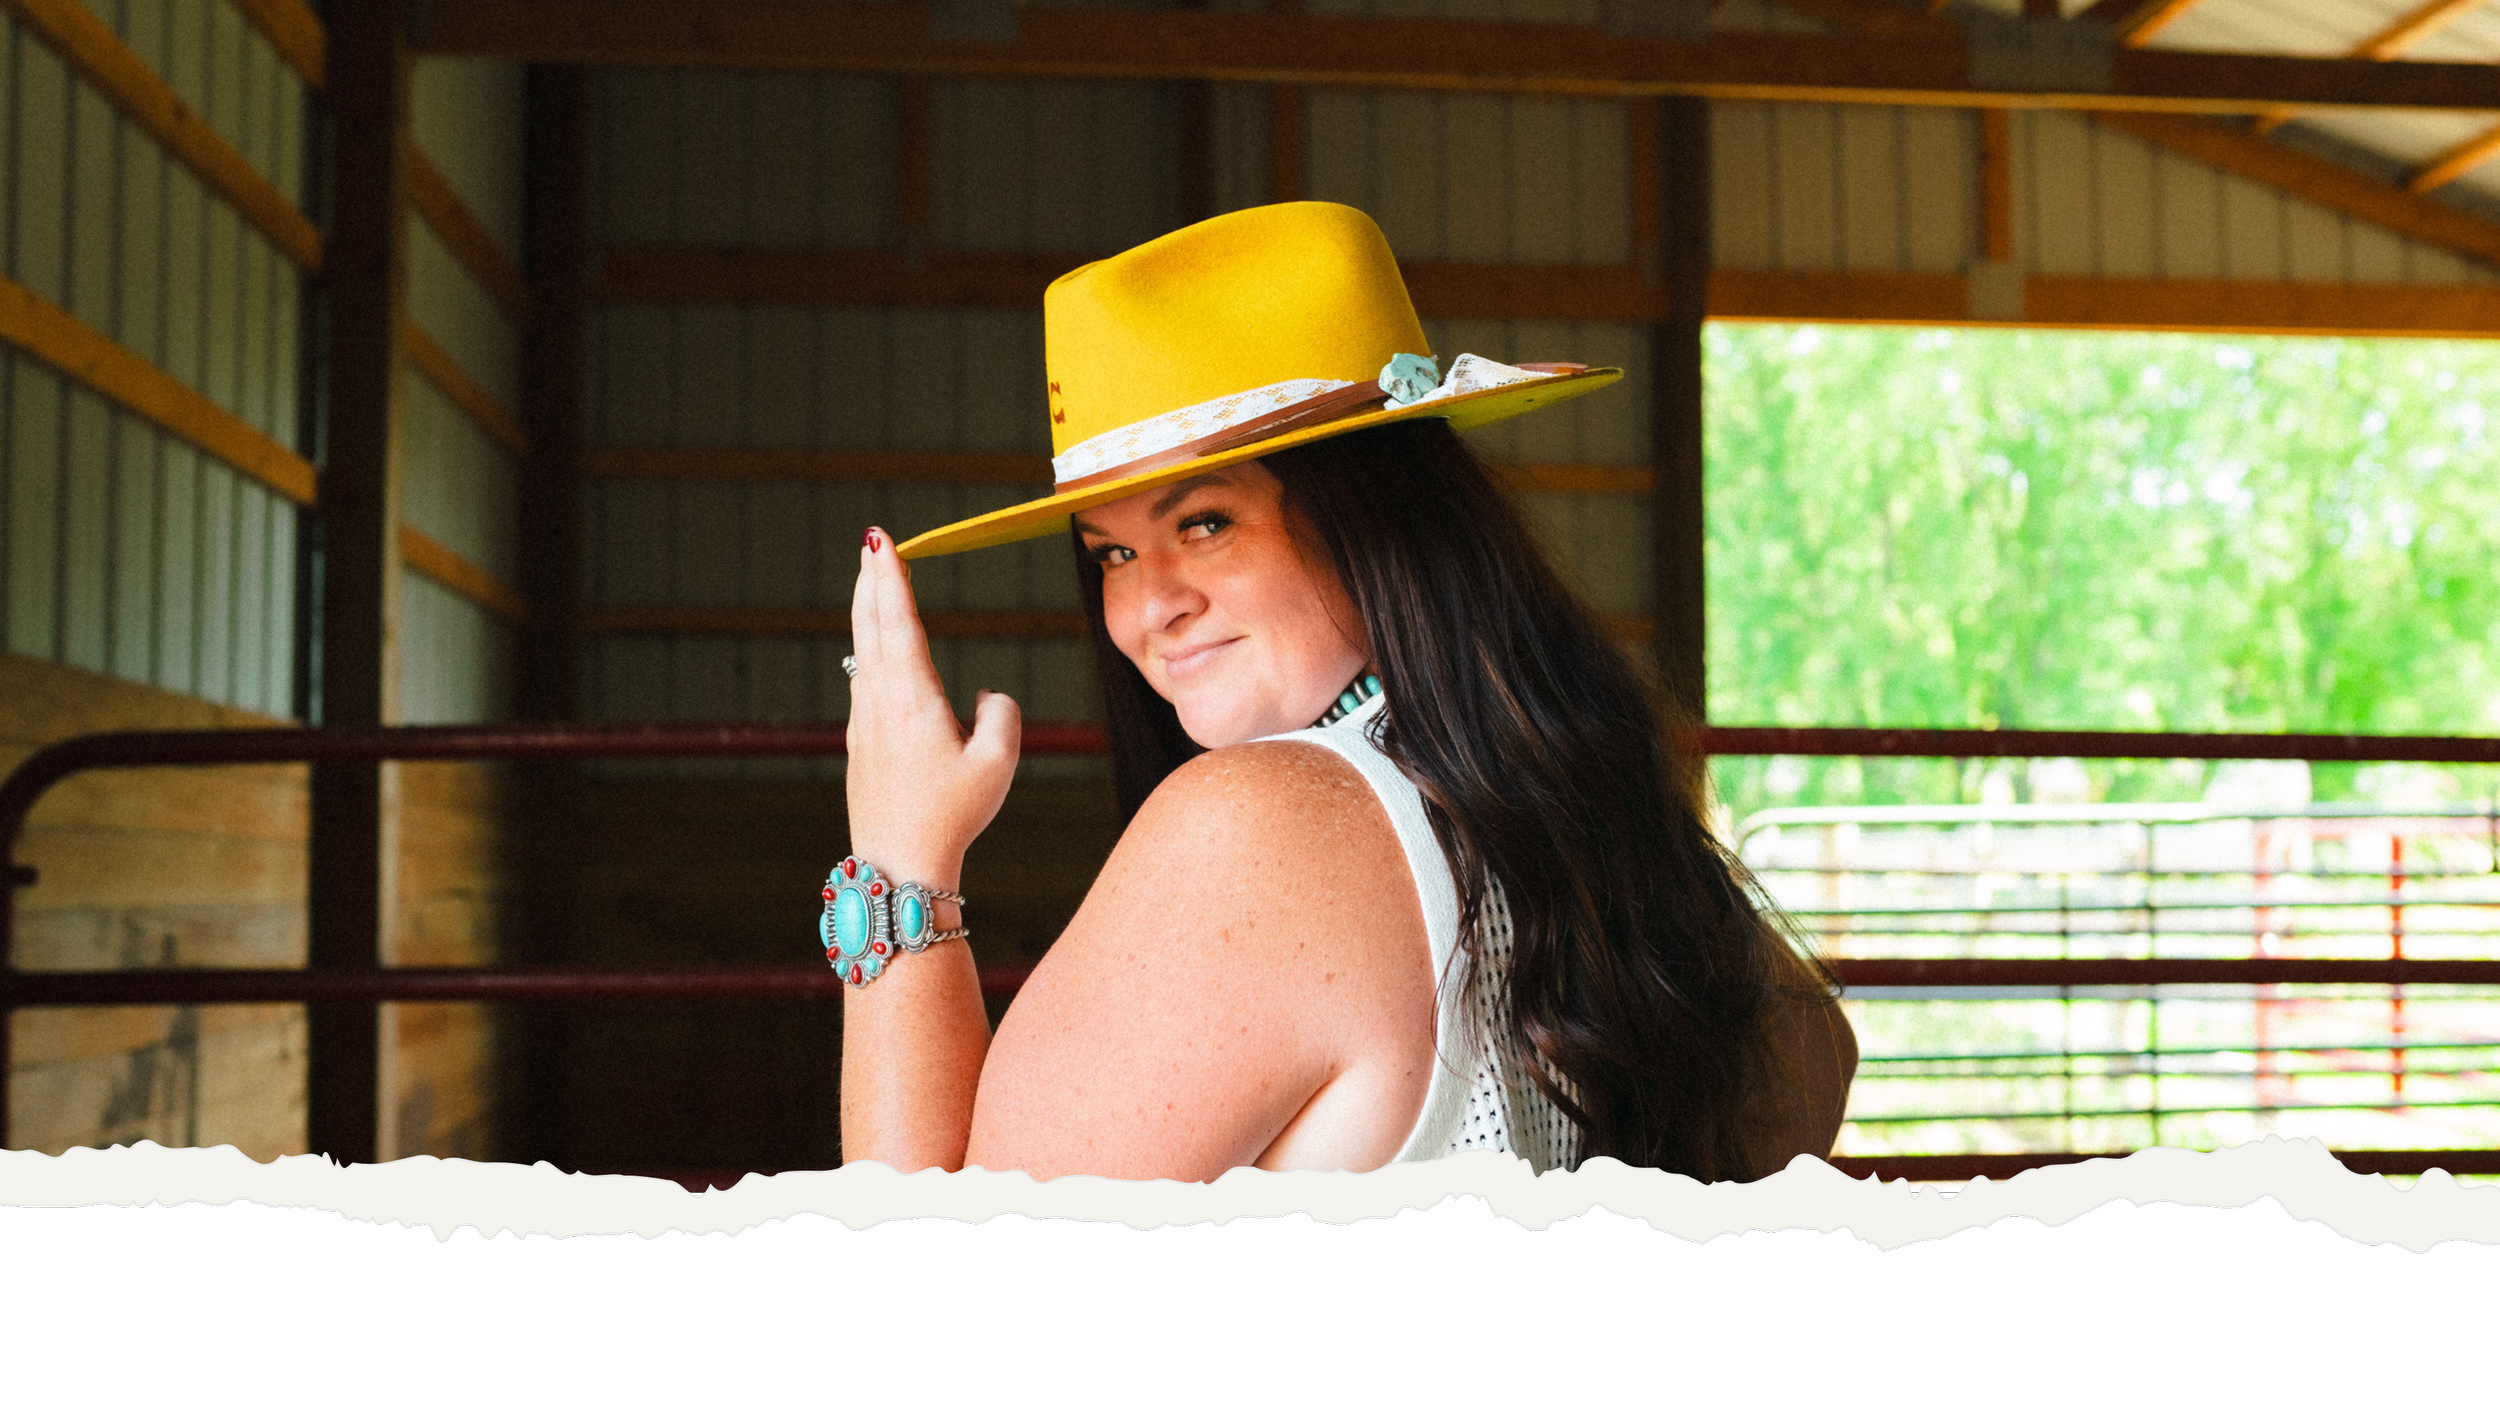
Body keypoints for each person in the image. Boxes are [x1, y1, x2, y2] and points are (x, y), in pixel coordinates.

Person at [829, 202, 1855, 1182]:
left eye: (1204, 523)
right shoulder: (1569, 796)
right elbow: (1815, 1059)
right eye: (1110, 554)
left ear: (1377, 514)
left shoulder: (1254, 829)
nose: (1150, 607)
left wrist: (896, 862)